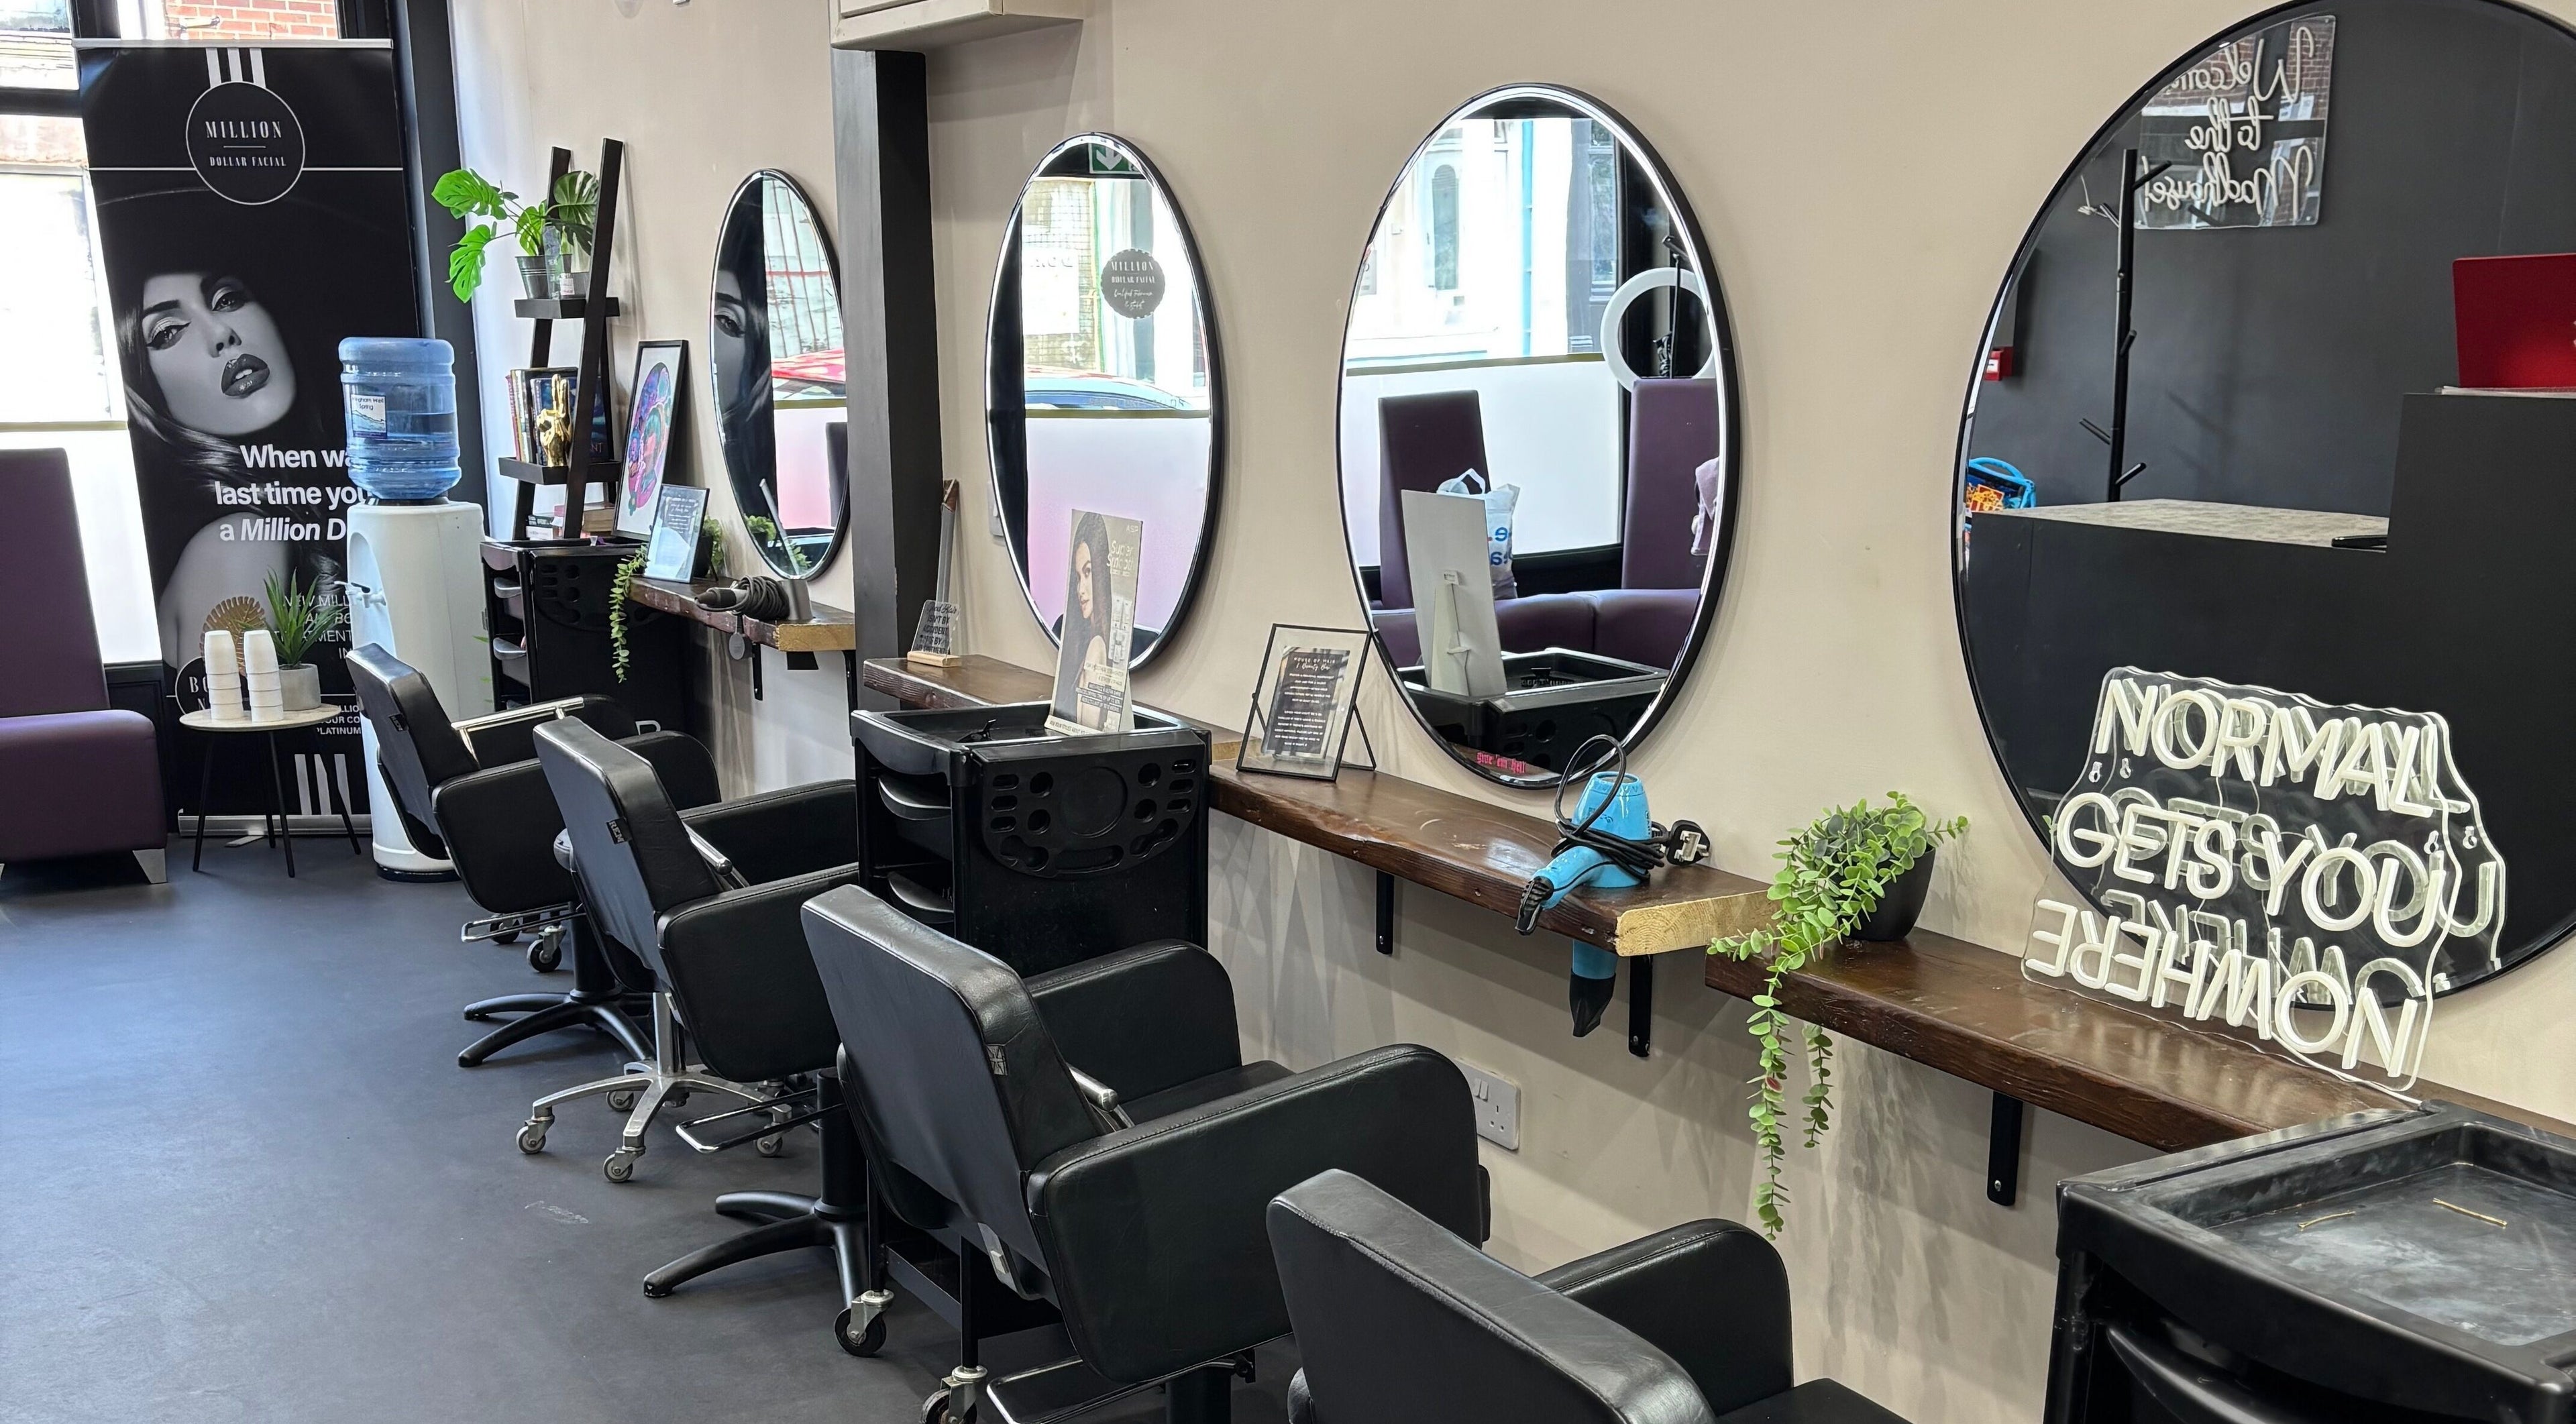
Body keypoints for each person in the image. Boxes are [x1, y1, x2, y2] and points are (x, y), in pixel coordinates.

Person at [103, 203, 343, 669]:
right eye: (169, 331)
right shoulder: (239, 542)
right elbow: (245, 731)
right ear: (144, 389)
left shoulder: (271, 513)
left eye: (227, 299)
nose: (221, 334)